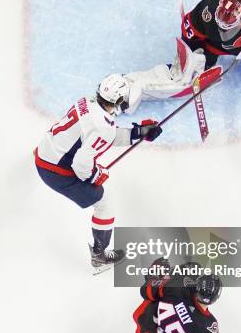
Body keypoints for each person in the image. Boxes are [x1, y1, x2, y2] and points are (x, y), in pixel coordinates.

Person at [34, 74, 162, 273]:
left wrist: (137, 133)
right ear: (119, 101)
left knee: (100, 191)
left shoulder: (86, 102)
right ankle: (99, 256)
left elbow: (98, 132)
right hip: (55, 171)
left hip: (45, 154)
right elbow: (82, 164)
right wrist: (95, 174)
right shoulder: (104, 127)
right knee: (105, 201)